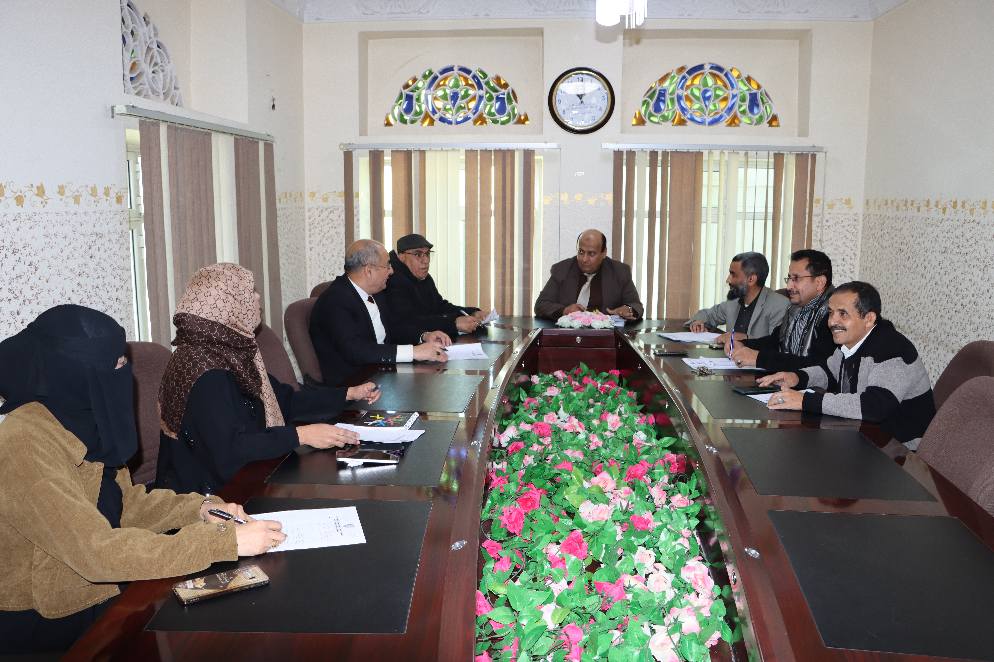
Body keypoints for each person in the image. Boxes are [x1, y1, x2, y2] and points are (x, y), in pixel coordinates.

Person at [0, 305, 284, 654]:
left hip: (108, 584)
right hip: (53, 614)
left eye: (123, 359)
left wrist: (201, 509)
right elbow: (93, 551)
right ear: (69, 371)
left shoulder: (86, 419)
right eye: (113, 363)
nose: (125, 370)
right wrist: (222, 543)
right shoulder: (24, 442)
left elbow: (126, 504)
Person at [155, 263, 380, 496]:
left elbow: (284, 400)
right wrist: (301, 435)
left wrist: (347, 394)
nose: (258, 297)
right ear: (229, 305)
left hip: (249, 472)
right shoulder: (203, 371)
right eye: (250, 292)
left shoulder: (230, 350)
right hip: (211, 497)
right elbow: (230, 450)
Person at [760, 282, 935, 449]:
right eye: (831, 313)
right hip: (862, 435)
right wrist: (796, 377)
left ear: (869, 319)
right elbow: (828, 372)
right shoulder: (851, 341)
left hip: (898, 450)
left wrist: (805, 401)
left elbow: (874, 407)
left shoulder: (891, 350)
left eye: (843, 314)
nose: (832, 322)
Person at [310, 239, 450, 386]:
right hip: (354, 385)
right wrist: (413, 352)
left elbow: (394, 327)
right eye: (387, 265)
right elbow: (356, 350)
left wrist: (424, 336)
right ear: (369, 270)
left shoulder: (376, 292)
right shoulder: (335, 301)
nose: (392, 271)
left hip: (383, 374)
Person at [727, 249, 836, 372]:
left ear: (819, 283)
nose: (789, 287)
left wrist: (759, 358)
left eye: (796, 279)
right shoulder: (795, 307)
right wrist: (743, 344)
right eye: (789, 278)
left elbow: (817, 366)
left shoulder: (833, 314)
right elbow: (775, 342)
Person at [384, 233, 488, 337]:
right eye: (418, 254)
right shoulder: (392, 280)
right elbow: (409, 322)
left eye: (427, 254)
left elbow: (440, 306)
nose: (426, 260)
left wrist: (471, 312)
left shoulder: (424, 277)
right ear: (401, 256)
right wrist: (453, 323)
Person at [534, 229, 644, 321]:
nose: (584, 259)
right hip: (568, 334)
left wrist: (628, 309)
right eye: (581, 252)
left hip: (605, 336)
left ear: (604, 253)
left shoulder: (620, 272)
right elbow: (541, 305)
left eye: (591, 253)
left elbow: (636, 305)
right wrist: (564, 310)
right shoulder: (562, 269)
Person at [687, 251, 790, 344]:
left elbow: (776, 345)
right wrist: (697, 322)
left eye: (733, 275)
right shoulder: (734, 302)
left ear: (751, 279)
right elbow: (707, 314)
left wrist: (743, 338)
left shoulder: (779, 305)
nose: (728, 280)